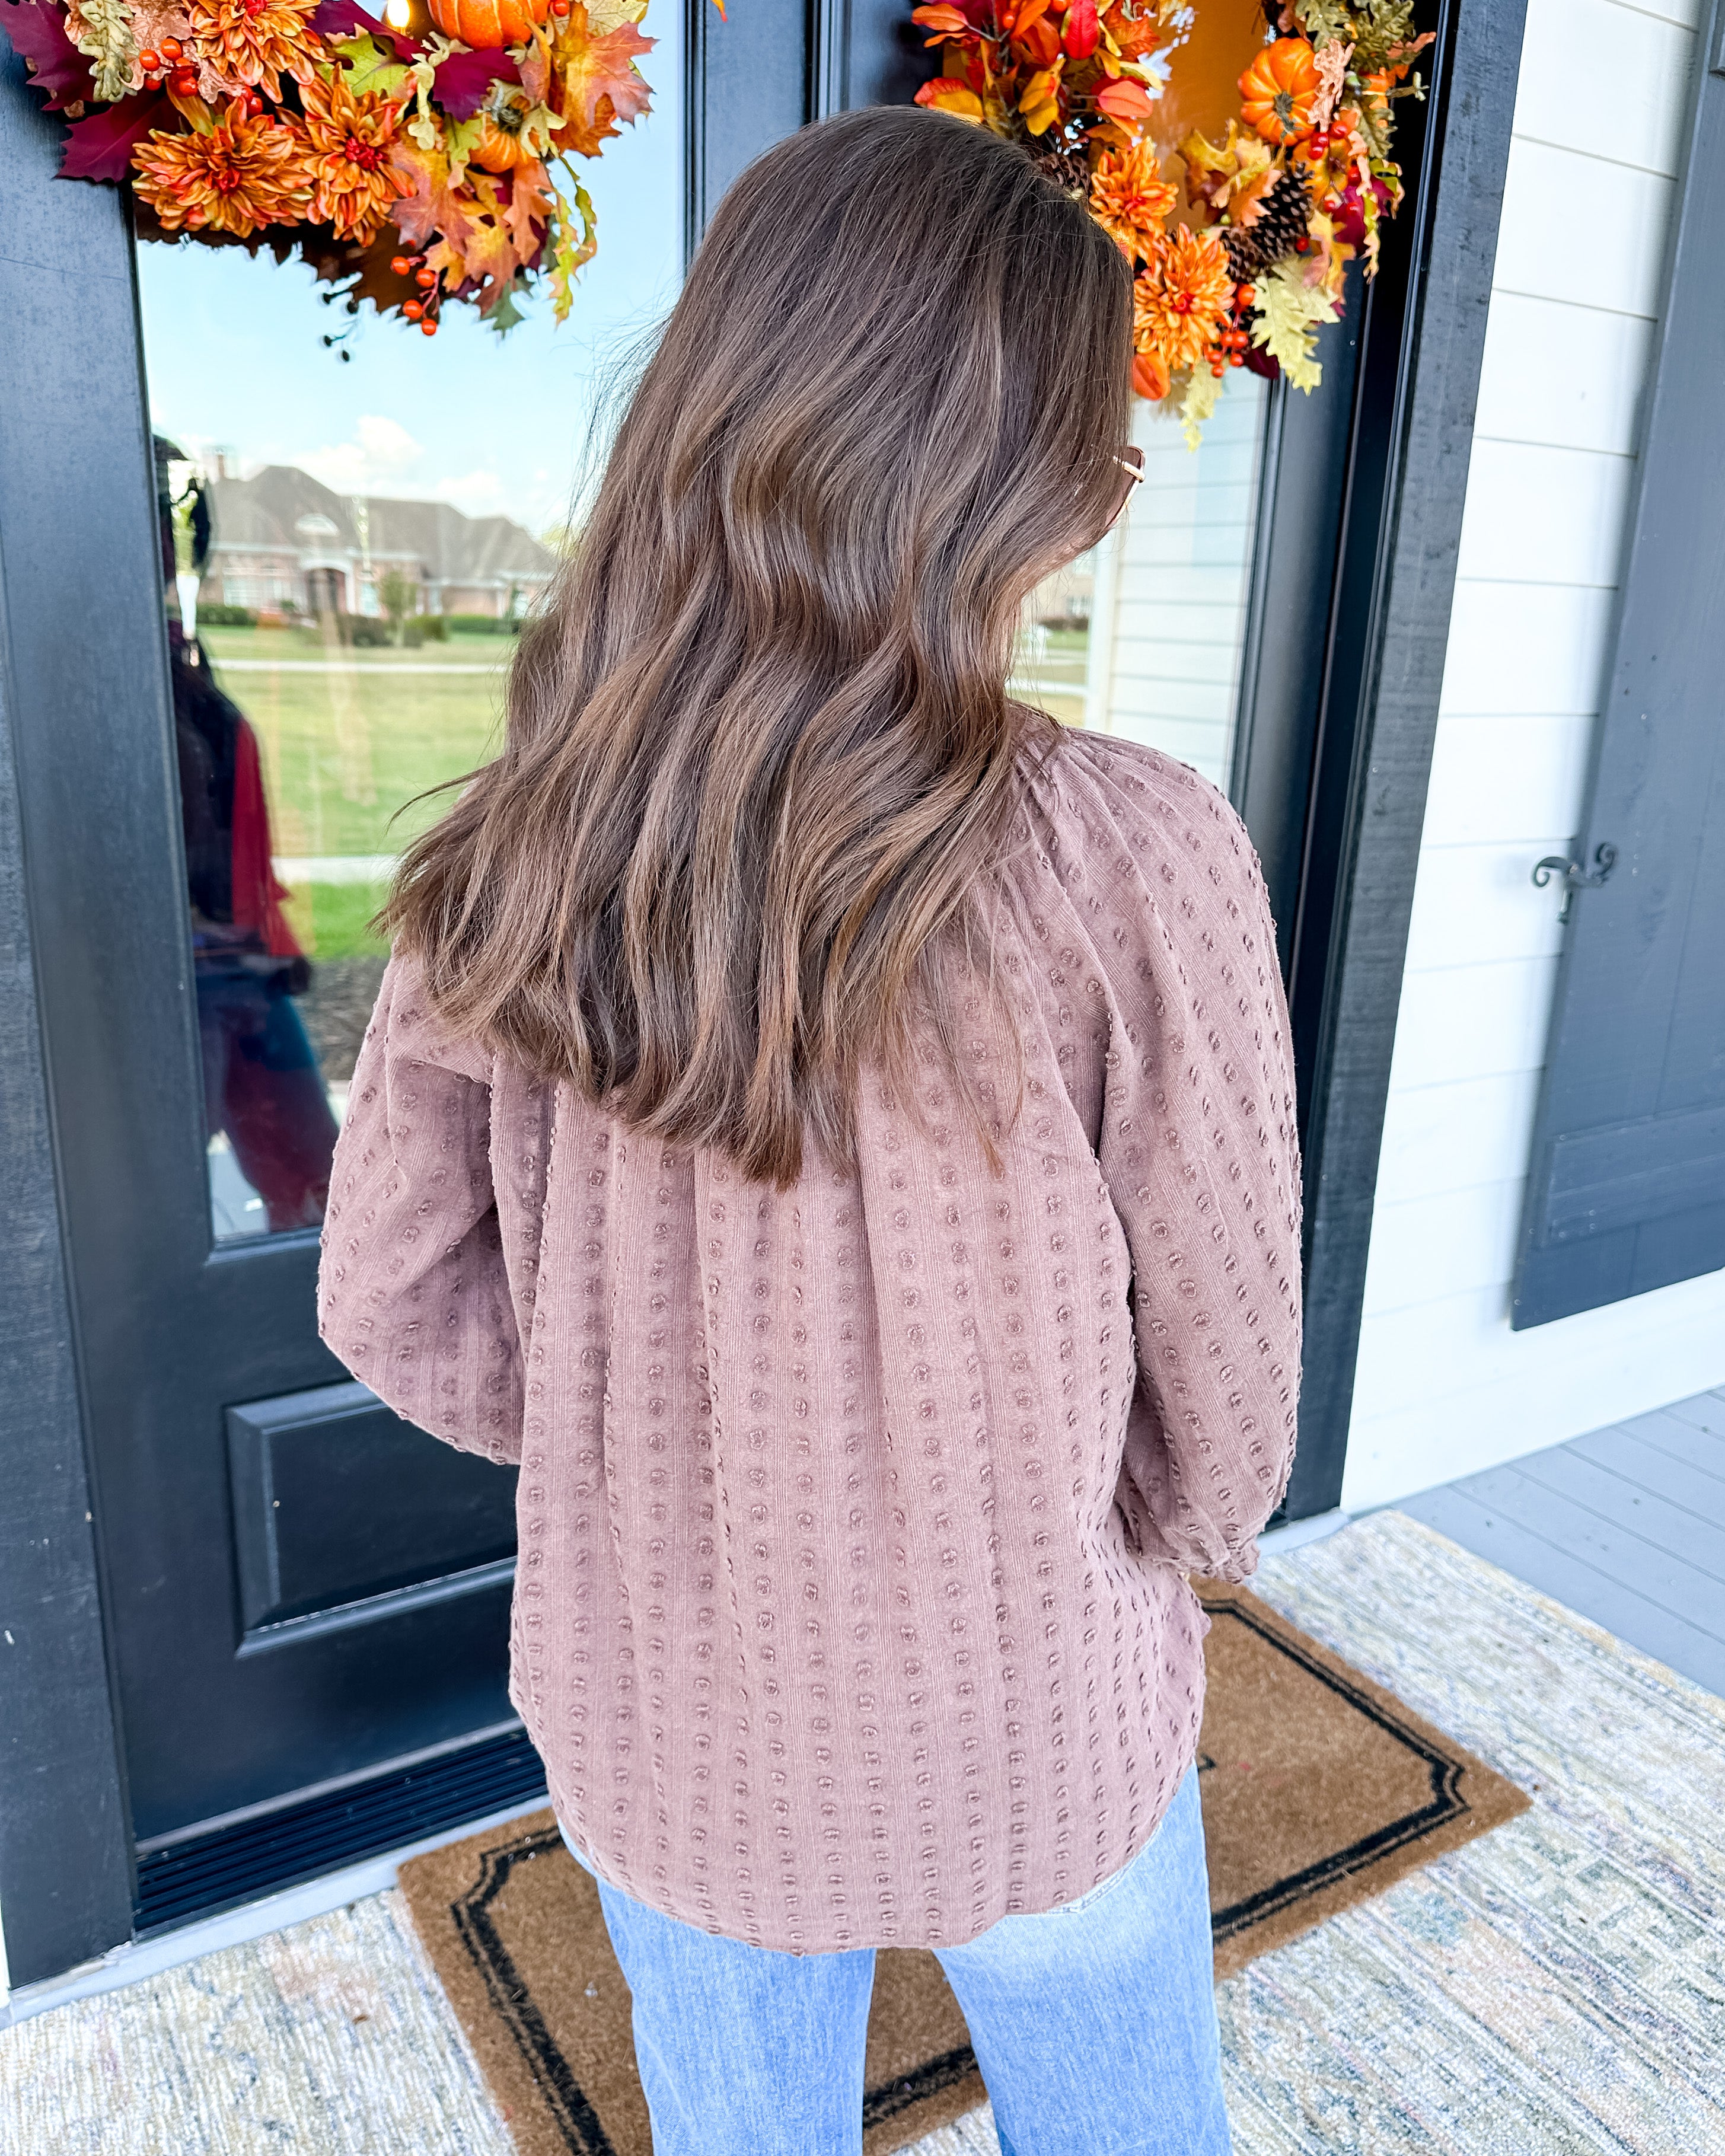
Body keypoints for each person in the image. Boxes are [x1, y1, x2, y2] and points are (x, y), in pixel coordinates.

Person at [318, 107, 1300, 2156]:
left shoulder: (511, 858)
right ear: (1012, 493)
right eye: (1098, 468)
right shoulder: (1132, 857)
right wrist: (1070, 1506)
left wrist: (648, 1437)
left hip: (669, 1726)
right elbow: (1229, 1411)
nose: (1106, 510)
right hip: (1030, 1710)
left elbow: (396, 1300)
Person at [158, 438, 339, 1233]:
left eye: (175, 506)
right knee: (154, 1205)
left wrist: (270, 930)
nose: (172, 531)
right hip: (180, 982)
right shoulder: (109, 666)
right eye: (157, 509)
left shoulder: (174, 659)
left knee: (320, 1184)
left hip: (241, 968)